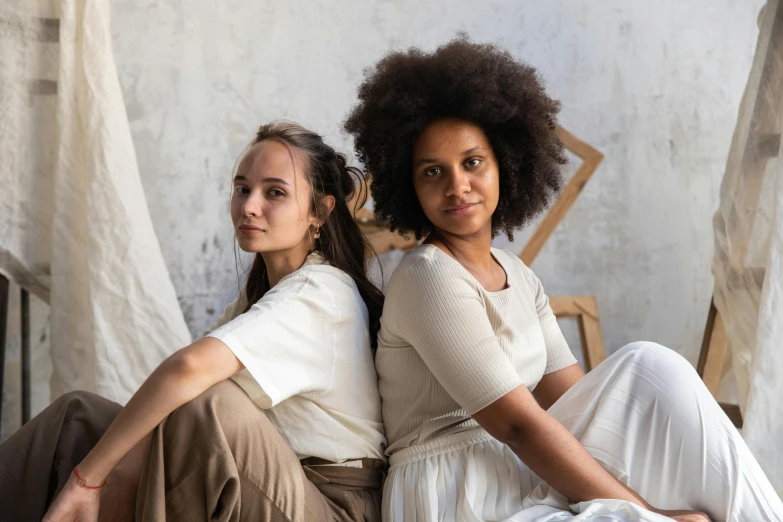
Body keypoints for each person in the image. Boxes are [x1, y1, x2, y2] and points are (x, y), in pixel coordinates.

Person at [344, 37, 783, 522]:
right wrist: (650, 514)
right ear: (410, 186)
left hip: (520, 472)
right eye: (432, 172)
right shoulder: (427, 277)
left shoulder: (518, 276)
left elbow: (580, 401)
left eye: (472, 162)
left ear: (505, 165)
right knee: (645, 367)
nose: (457, 186)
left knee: (649, 371)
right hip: (456, 492)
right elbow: (515, 424)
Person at [0, 121, 387, 522]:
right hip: (279, 482)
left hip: (332, 505)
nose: (249, 206)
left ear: (319, 212)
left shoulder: (321, 292)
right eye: (242, 189)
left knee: (209, 401)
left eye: (275, 192)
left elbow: (189, 371)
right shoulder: (261, 296)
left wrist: (90, 478)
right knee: (78, 418)